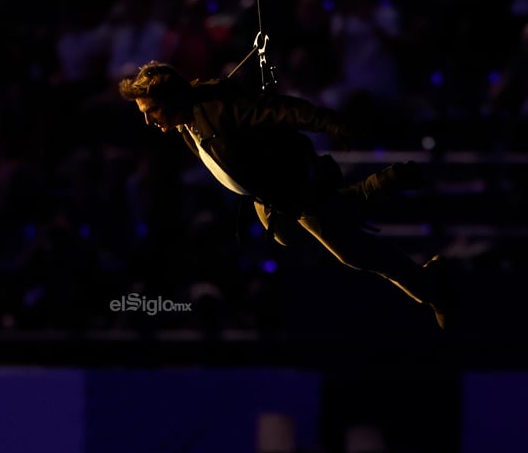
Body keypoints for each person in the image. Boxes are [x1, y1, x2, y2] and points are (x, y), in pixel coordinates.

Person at [117, 60, 459, 330]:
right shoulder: (184, 125)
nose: (148, 121)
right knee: (286, 235)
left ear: (172, 99)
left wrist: (332, 124)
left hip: (295, 185)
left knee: (354, 253)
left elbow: (282, 109)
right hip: (269, 202)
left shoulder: (220, 108)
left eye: (152, 111)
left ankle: (432, 286)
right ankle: (367, 193)